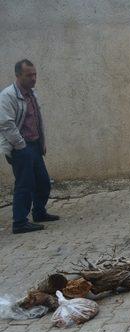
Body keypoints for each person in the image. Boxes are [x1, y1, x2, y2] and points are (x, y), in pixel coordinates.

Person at [0, 59, 58, 234]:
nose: (33, 78)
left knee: (43, 182)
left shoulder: (32, 94)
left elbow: (37, 120)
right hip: (20, 148)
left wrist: (42, 142)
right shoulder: (8, 95)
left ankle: (39, 212)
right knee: (25, 184)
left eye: (35, 74)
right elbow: (6, 124)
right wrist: (20, 145)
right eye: (29, 75)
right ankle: (19, 222)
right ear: (18, 75)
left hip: (34, 145)